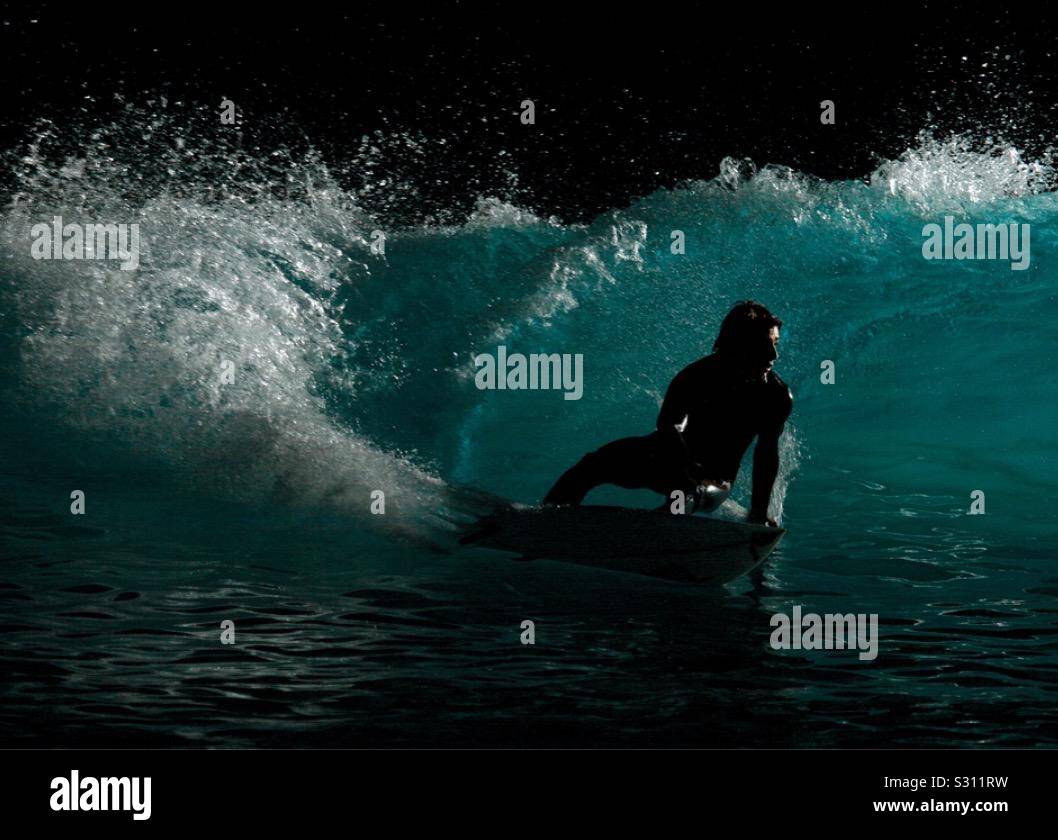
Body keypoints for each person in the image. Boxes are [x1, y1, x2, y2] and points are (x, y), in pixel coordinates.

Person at [542, 300, 792, 526]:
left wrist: (758, 513)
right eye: (764, 345)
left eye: (775, 344)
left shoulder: (775, 395)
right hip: (667, 458)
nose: (774, 355)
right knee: (591, 465)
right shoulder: (696, 376)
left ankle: (655, 530)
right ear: (739, 344)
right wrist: (683, 464)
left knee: (685, 497)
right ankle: (545, 521)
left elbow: (766, 454)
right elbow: (669, 426)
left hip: (713, 480)